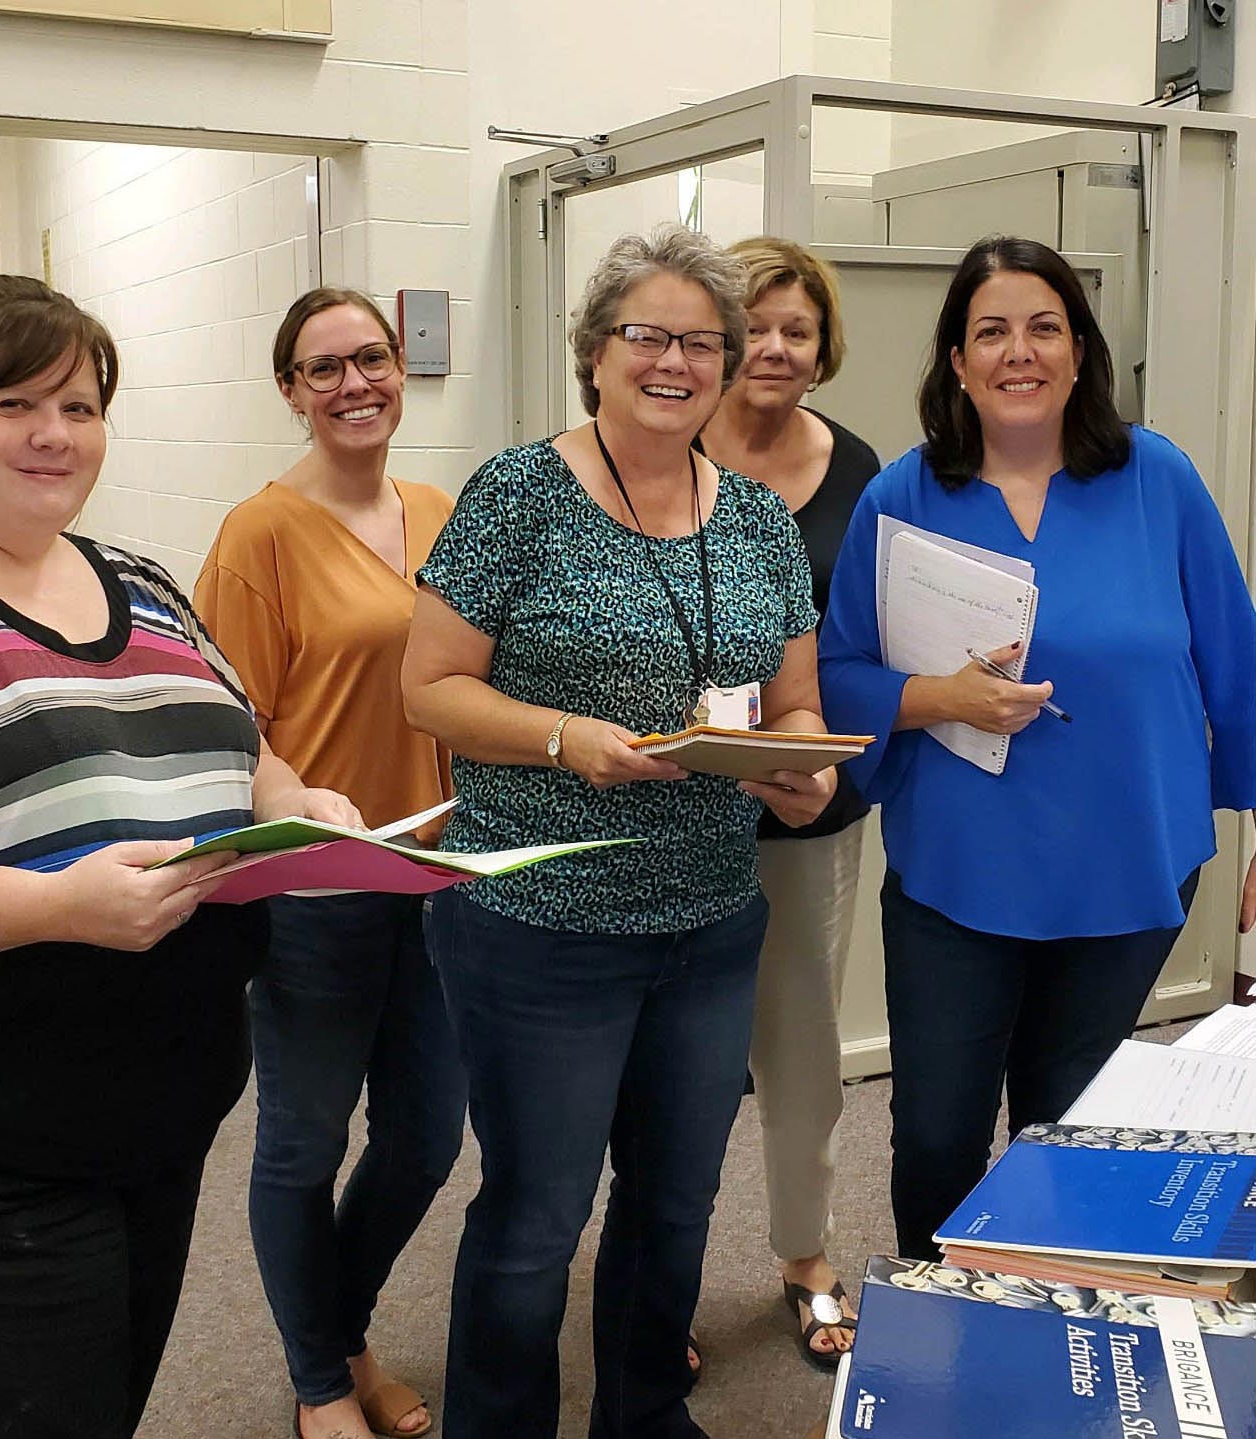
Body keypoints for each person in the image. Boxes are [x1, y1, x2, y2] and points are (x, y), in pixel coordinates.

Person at [0, 274, 362, 1439]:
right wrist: (50, 905)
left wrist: (298, 801)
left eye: (81, 404)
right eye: (12, 402)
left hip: (148, 1128)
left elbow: (240, 747)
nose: (55, 434)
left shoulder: (137, 577)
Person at [402, 223, 838, 1439]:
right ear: (595, 352)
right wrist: (561, 736)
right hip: (540, 921)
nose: (675, 360)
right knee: (538, 1210)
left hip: (707, 919)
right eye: (646, 334)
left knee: (672, 1200)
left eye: (703, 342)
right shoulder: (517, 492)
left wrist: (793, 770)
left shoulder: (752, 520)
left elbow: (793, 698)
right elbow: (428, 687)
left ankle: (643, 1410)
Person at [818, 235, 1256, 1262]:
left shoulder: (1158, 480)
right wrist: (939, 695)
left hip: (1123, 874)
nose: (1018, 351)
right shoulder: (902, 495)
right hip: (957, 878)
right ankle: (933, 1339)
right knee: (933, 1134)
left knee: (1068, 1137)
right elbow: (837, 674)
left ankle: (1042, 1343)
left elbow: (1234, 663)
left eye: (1042, 326)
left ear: (1077, 350)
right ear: (957, 363)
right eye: (990, 332)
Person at [194, 287, 465, 1439]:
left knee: (423, 1137)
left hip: (441, 871)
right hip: (313, 885)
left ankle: (339, 1326)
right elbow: (222, 720)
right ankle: (319, 1384)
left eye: (371, 358)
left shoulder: (442, 510)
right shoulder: (259, 532)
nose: (354, 383)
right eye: (324, 369)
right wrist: (294, 805)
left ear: (400, 369)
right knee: (304, 1139)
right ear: (291, 391)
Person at [699, 236, 878, 1368]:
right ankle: (654, 1268)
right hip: (667, 804)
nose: (772, 346)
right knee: (667, 1059)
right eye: (752, 324)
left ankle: (804, 1255)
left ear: (821, 347)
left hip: (805, 811)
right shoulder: (660, 448)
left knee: (801, 1054)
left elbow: (872, 635)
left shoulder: (860, 470)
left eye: (795, 328)